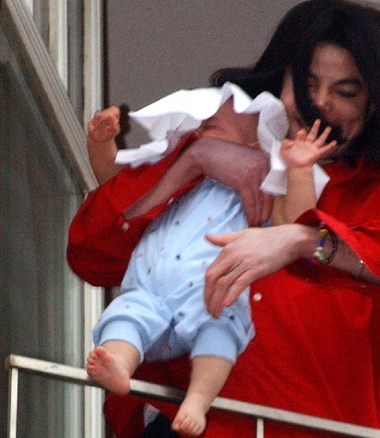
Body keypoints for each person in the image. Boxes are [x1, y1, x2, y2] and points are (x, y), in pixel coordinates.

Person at [68, 1, 380, 436]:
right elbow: (92, 254)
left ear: (377, 103)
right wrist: (195, 162)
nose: (318, 103)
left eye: (346, 92)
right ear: (282, 77)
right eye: (306, 82)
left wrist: (305, 241)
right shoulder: (222, 142)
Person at [84, 82, 336, 436]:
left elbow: (294, 223)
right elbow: (115, 189)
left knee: (221, 330)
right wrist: (101, 144)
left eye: (212, 124)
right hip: (148, 292)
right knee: (124, 316)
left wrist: (297, 169)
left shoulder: (261, 184)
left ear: (254, 143)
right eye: (197, 125)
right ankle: (119, 369)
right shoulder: (176, 176)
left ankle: (198, 401)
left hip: (212, 294)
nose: (199, 131)